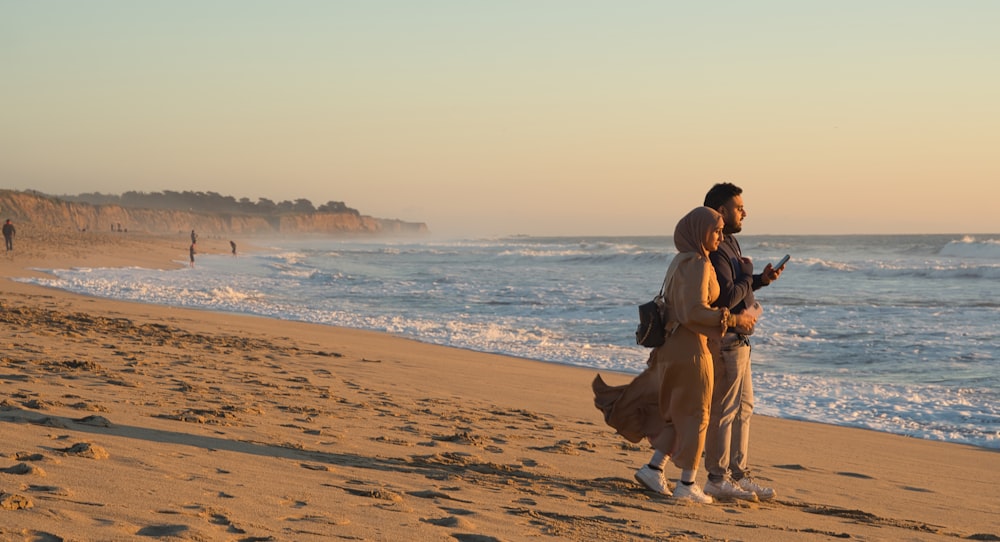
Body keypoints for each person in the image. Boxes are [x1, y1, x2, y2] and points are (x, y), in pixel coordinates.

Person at [593, 206, 757, 504]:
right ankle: (687, 484)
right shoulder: (698, 264)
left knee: (679, 415)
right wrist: (735, 321)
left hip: (672, 348)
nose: (721, 236)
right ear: (698, 231)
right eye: (716, 230)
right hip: (690, 350)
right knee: (697, 415)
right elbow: (691, 311)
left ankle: (654, 468)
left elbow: (678, 308)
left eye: (721, 230)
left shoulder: (680, 260)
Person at [701, 182, 782, 501]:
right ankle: (717, 478)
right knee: (724, 409)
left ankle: (737, 475)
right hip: (727, 338)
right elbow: (724, 297)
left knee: (743, 408)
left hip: (741, 340)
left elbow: (741, 290)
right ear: (721, 211)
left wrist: (760, 280)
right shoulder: (718, 247)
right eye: (738, 207)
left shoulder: (731, 243)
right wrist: (748, 276)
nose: (744, 212)